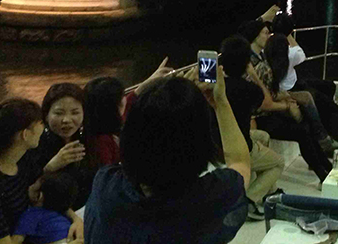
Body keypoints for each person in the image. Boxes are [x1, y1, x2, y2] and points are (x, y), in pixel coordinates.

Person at [84, 69, 251, 244]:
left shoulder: (104, 184)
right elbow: (240, 163)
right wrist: (220, 102)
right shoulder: (209, 201)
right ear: (200, 145)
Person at [0, 98, 84, 244]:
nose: (43, 127)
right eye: (40, 123)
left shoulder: (22, 162)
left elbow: (45, 198)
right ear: (25, 134)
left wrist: (76, 220)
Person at [220, 35, 285, 221]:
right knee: (278, 163)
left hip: (218, 142)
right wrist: (254, 75)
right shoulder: (249, 89)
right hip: (240, 147)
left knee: (263, 137)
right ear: (246, 63)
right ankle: (248, 200)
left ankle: (268, 191)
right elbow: (267, 102)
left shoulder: (217, 88)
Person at [82, 59, 173, 169]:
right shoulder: (101, 143)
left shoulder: (107, 121)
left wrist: (151, 80)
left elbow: (131, 99)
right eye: (121, 97)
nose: (124, 98)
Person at [272, 13, 338, 143]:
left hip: (293, 83)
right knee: (335, 110)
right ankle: (331, 140)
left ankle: (327, 123)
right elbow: (301, 54)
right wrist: (288, 34)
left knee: (328, 86)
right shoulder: (289, 52)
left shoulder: (269, 47)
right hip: (292, 88)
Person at [263, 33, 338, 152]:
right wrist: (285, 98)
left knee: (324, 89)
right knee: (308, 98)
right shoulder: (266, 67)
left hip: (287, 90)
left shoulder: (282, 60)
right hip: (278, 94)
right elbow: (269, 92)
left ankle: (324, 137)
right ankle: (322, 138)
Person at [30, 83, 93, 210]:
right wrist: (50, 167)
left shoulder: (88, 139)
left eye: (75, 112)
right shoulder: (35, 143)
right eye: (59, 113)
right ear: (46, 115)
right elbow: (30, 193)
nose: (66, 120)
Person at [13, 172, 79, 244]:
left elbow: (16, 240)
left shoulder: (31, 214)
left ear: (39, 196)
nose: (30, 186)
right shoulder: (59, 212)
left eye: (34, 185)